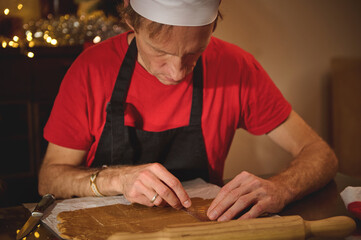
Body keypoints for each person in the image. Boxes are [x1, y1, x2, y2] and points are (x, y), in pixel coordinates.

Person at [38, 0, 338, 222]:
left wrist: (282, 187)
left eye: (195, 52)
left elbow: (321, 153)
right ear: (130, 18)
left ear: (213, 27)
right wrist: (117, 179)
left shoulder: (237, 67)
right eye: (161, 52)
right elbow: (49, 179)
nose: (178, 72)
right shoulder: (91, 71)